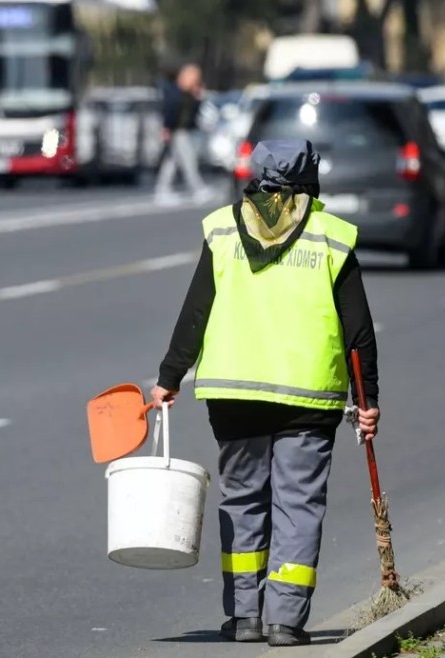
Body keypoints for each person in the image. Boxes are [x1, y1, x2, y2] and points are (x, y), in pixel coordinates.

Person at [150, 140, 380, 647]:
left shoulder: (221, 229)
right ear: (310, 180)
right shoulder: (331, 238)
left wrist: (170, 377)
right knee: (298, 505)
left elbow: (196, 312)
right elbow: (358, 332)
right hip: (307, 396)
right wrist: (367, 402)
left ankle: (245, 616)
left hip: (233, 395)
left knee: (243, 501)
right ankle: (285, 620)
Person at [154, 64, 214, 206]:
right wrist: (166, 129)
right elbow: (169, 111)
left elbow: (194, 113)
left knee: (172, 162)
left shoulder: (188, 94)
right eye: (194, 77)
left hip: (183, 130)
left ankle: (162, 190)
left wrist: (198, 98)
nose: (196, 81)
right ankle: (197, 189)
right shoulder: (173, 92)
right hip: (177, 131)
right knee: (188, 160)